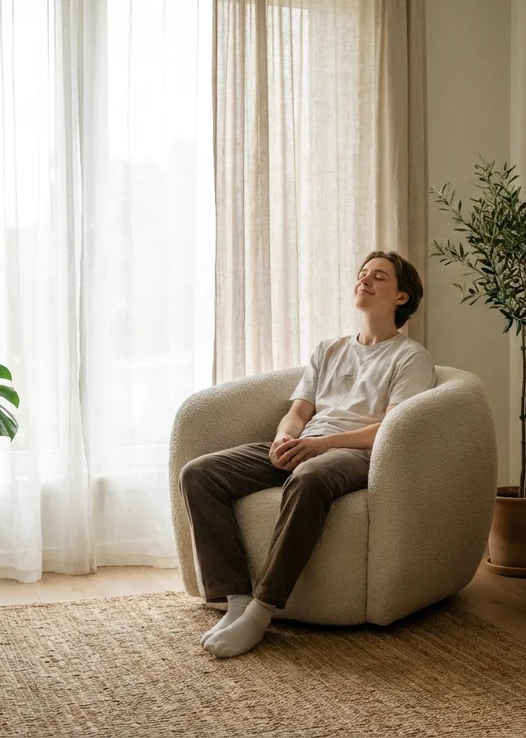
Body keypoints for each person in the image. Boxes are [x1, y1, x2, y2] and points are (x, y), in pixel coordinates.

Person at [181, 250, 434, 658]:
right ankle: (237, 598)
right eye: (362, 274)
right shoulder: (328, 350)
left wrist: (319, 446)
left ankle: (263, 609)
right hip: (305, 444)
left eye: (379, 277)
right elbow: (299, 410)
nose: (365, 280)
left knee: (310, 476)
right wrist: (284, 439)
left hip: (354, 452)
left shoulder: (410, 357)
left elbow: (391, 428)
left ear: (402, 297)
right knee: (200, 473)